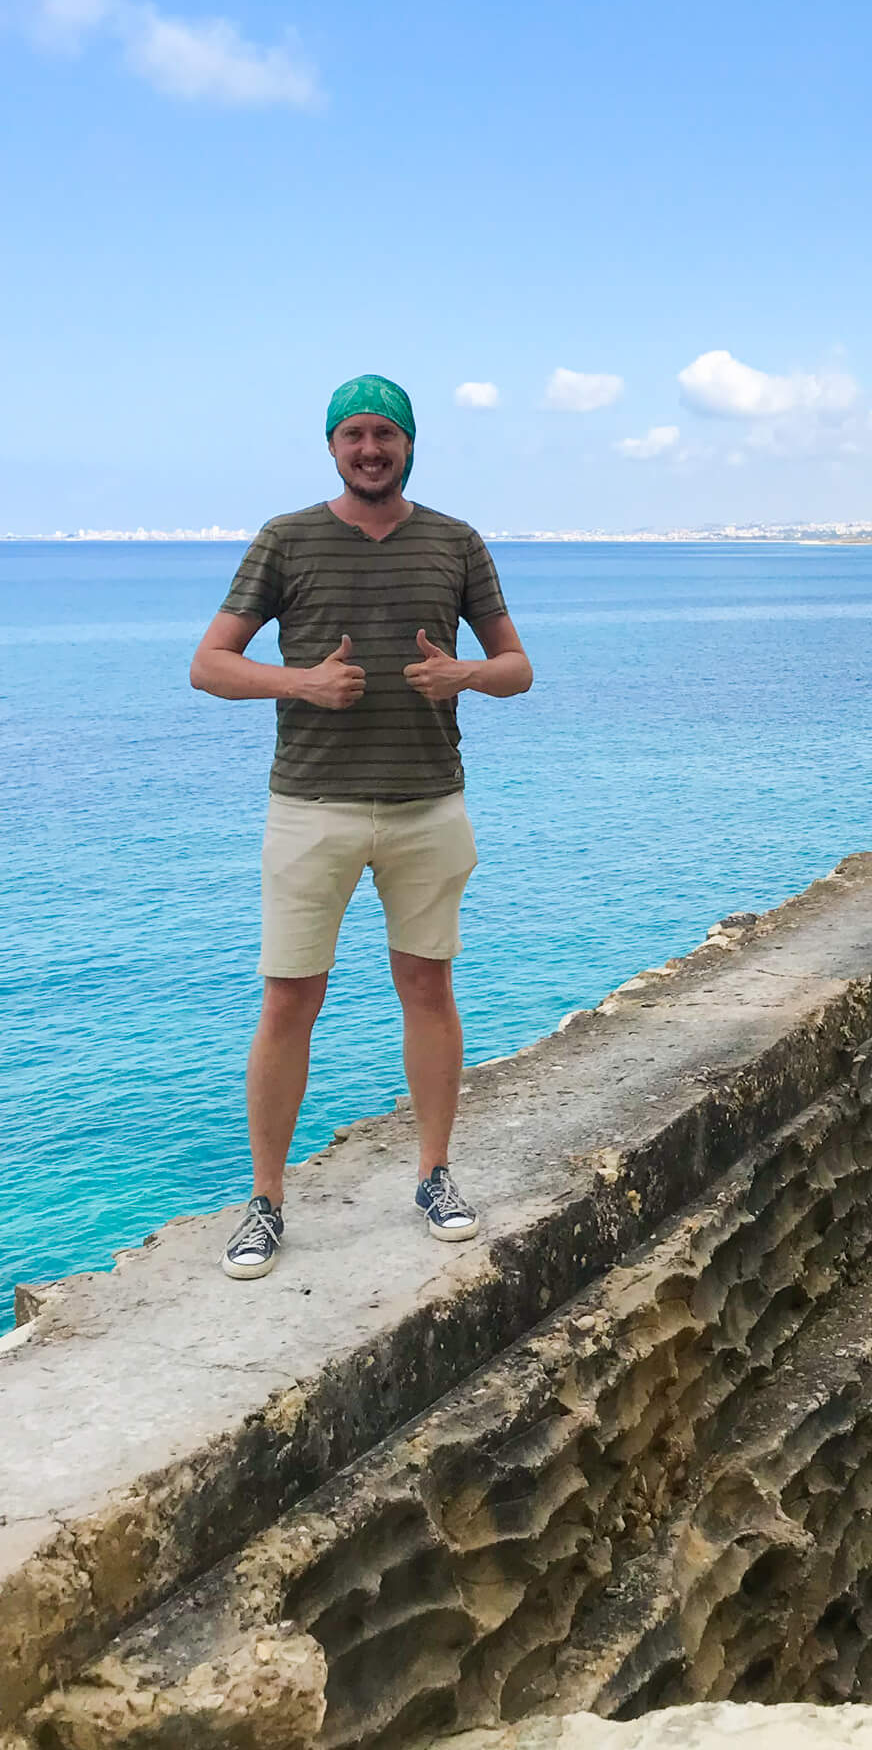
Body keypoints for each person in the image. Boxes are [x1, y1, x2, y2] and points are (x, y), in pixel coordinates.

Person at [189, 375, 533, 1279]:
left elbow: (517, 667)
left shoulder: (456, 542)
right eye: (354, 435)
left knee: (428, 986)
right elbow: (210, 665)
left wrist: (465, 675)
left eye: (386, 433)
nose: (370, 449)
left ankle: (435, 1174)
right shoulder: (287, 538)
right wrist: (300, 682)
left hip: (428, 803)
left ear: (411, 443)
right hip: (311, 807)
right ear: (332, 447)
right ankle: (265, 1201)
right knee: (289, 998)